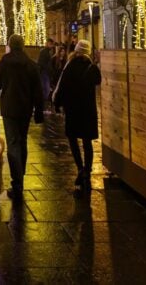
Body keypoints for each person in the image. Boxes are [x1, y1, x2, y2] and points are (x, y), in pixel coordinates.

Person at [0, 34, 45, 200]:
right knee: (22, 142)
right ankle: (21, 176)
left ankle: (17, 182)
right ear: (23, 46)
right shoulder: (31, 64)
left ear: (10, 45)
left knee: (13, 143)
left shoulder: (5, 62)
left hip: (9, 108)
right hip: (25, 109)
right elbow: (38, 90)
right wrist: (39, 110)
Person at [53, 40, 102, 194]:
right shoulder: (91, 67)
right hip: (87, 110)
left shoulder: (70, 66)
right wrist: (95, 63)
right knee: (87, 142)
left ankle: (80, 169)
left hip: (73, 109)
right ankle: (87, 171)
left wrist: (56, 103)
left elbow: (62, 86)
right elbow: (98, 81)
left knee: (73, 140)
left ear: (76, 50)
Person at [37, 38, 56, 110]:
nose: (52, 46)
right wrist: (48, 69)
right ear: (47, 43)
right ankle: (44, 106)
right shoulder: (44, 52)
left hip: (46, 73)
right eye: (50, 44)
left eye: (52, 44)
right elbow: (42, 63)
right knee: (46, 89)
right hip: (44, 73)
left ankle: (44, 106)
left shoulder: (47, 52)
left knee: (46, 89)